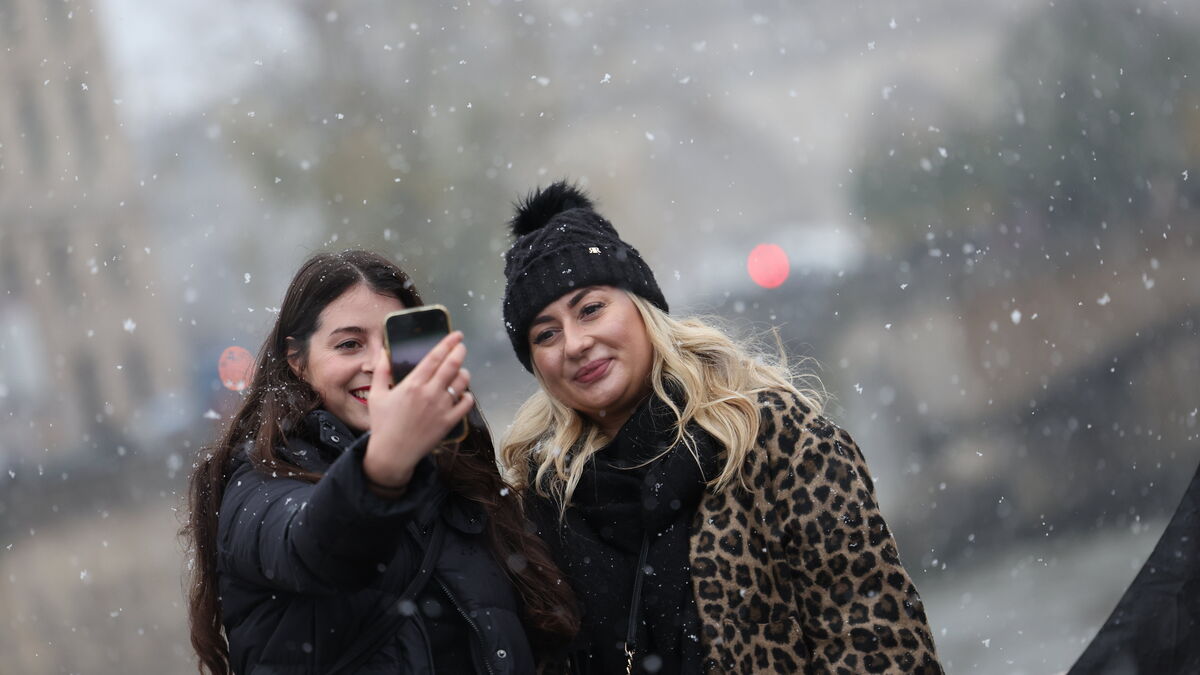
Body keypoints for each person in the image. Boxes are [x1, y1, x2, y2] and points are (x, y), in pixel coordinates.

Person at [497, 182, 944, 674]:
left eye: (591, 309)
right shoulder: (540, 507)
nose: (576, 343)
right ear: (535, 364)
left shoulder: (774, 440)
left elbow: (879, 644)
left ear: (643, 309)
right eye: (546, 334)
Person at [183, 249, 578, 674]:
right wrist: (386, 462)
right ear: (297, 361)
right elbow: (319, 545)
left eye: (394, 343)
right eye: (349, 344)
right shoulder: (259, 481)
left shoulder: (460, 477)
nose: (379, 363)